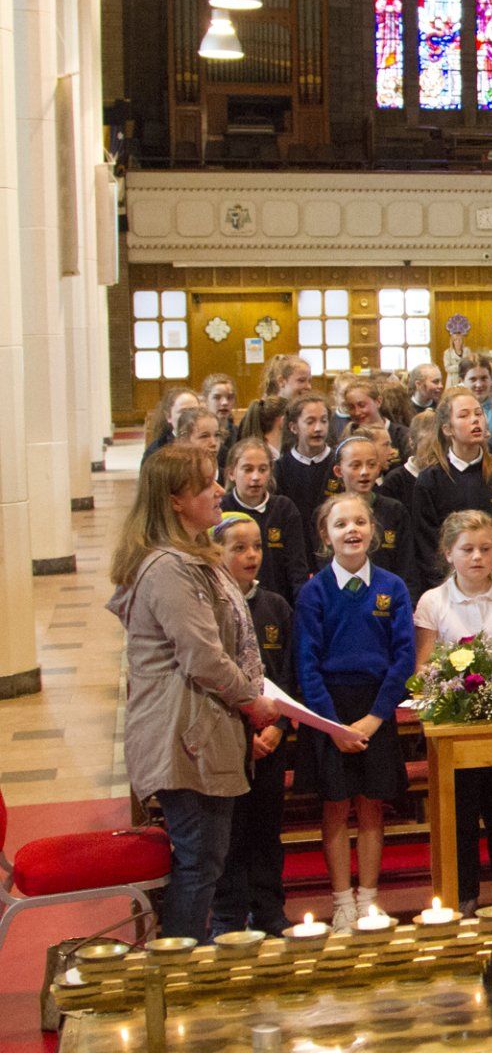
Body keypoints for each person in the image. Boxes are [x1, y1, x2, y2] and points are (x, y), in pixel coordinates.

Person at [108, 447, 278, 939]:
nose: (219, 491)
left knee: (206, 858)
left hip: (198, 726)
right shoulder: (169, 567)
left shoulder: (189, 558)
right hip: (184, 733)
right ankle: (178, 970)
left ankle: (189, 962)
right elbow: (202, 656)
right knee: (199, 861)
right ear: (176, 500)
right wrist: (253, 701)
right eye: (206, 484)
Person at [294, 492, 413, 932]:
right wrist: (331, 726)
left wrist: (376, 717)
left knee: (371, 807)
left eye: (360, 521)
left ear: (373, 531)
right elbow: (306, 663)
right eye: (341, 524)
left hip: (375, 709)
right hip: (330, 713)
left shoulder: (392, 587)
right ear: (326, 535)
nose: (352, 530)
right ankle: (342, 900)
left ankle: (369, 899)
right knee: (335, 807)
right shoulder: (314, 591)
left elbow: (403, 659)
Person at [414, 510, 492, 914]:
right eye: (467, 549)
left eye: (485, 549)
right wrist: (454, 686)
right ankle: (464, 892)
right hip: (456, 727)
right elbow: (424, 668)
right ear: (449, 553)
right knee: (460, 812)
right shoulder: (433, 601)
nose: (477, 557)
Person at [206, 512, 292, 936]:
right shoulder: (210, 608)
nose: (251, 555)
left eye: (256, 546)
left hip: (270, 739)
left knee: (266, 831)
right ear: (215, 552)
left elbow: (288, 676)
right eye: (238, 548)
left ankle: (270, 910)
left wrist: (278, 729)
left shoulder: (274, 606)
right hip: (228, 740)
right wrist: (246, 730)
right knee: (230, 834)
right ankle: (228, 915)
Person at [411, 387, 492, 586]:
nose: (475, 420)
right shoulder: (431, 479)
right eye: (464, 415)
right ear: (447, 429)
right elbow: (426, 543)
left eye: (478, 413)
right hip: (448, 586)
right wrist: (447, 586)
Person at [222, 437, 310, 607]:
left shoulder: (284, 509)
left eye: (262, 469)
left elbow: (297, 570)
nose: (256, 477)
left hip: (277, 607)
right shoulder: (221, 509)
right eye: (247, 469)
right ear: (231, 473)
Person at [333, 432, 417, 596]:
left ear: (379, 468)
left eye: (371, 465)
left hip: (387, 600)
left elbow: (407, 568)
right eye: (355, 466)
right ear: (338, 470)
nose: (364, 472)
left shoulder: (395, 511)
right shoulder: (328, 513)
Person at [278, 395, 339, 525]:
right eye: (310, 422)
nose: (318, 428)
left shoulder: (340, 463)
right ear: (293, 427)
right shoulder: (280, 468)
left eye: (323, 421)